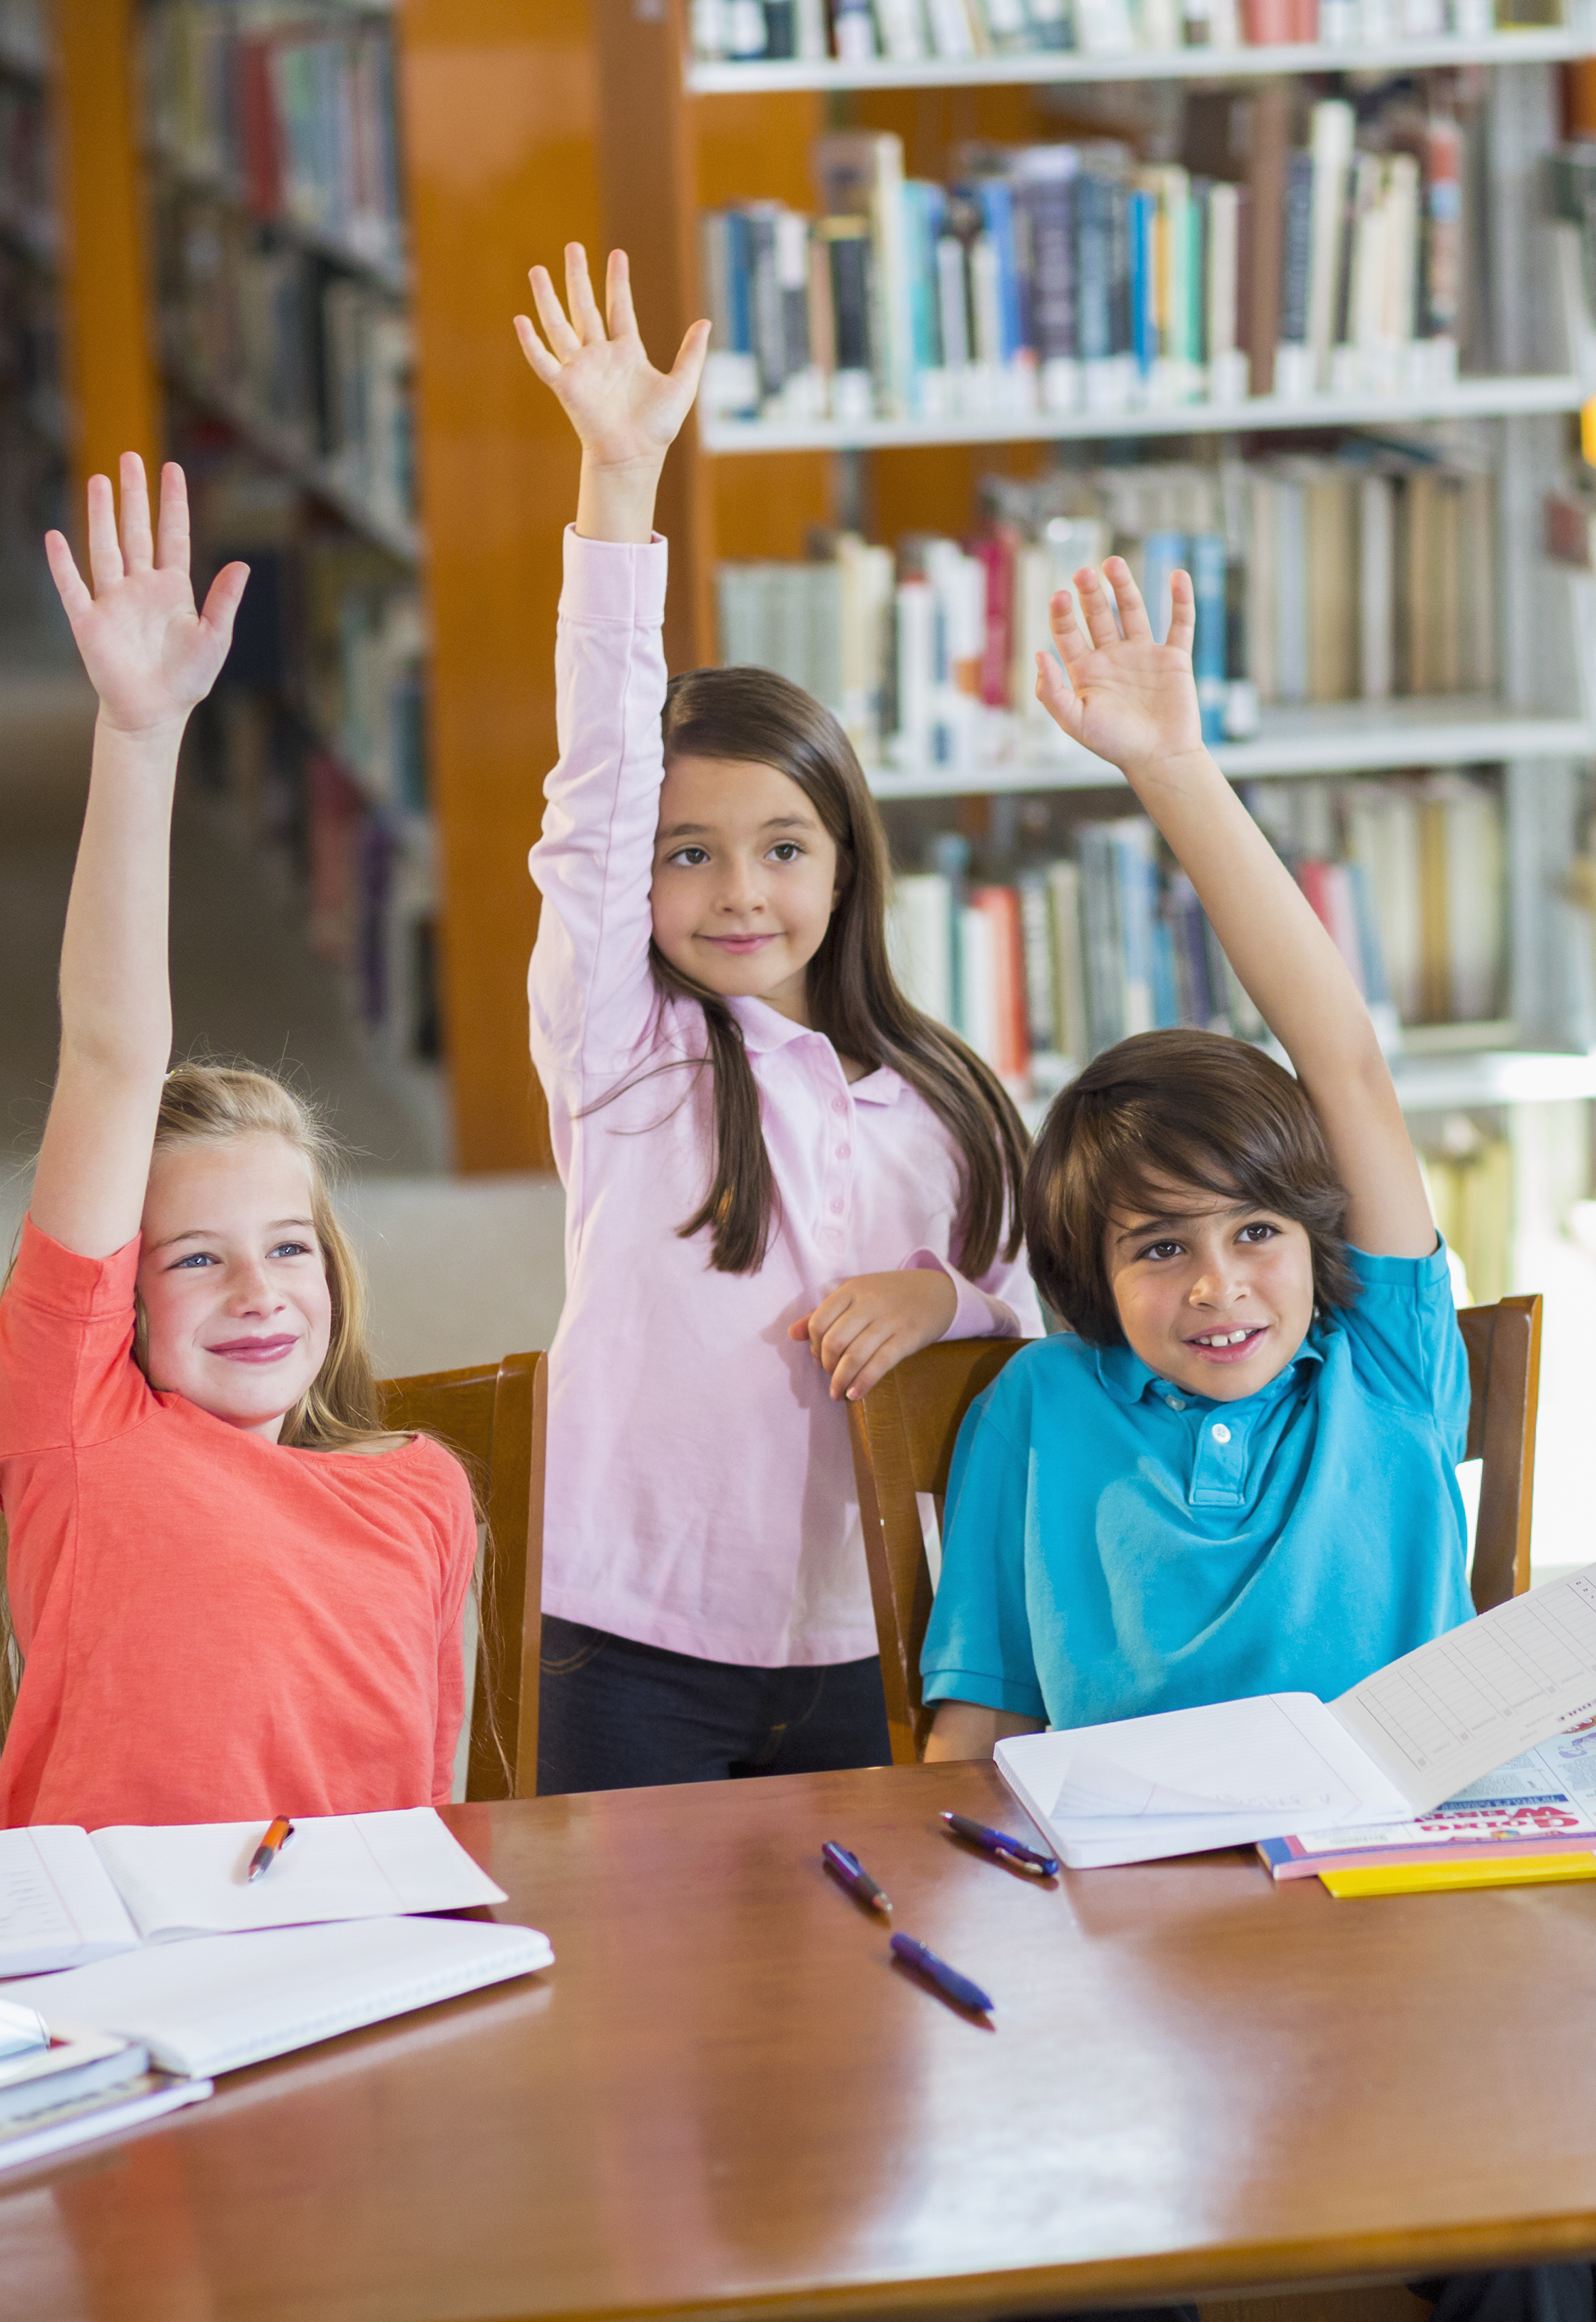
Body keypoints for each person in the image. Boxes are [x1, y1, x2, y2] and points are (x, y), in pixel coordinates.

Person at [515, 246, 1035, 1792]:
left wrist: (941, 1301)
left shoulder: (940, 1093)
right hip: (624, 1636)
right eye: (691, 854)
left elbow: (1028, 1305)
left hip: (874, 1622)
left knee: (849, 2000)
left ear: (848, 862)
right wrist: (621, 484)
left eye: (784, 849)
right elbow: (599, 783)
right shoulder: (624, 1051)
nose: (739, 892)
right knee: (632, 1999)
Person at [0, 454, 479, 1832]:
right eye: (195, 1258)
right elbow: (111, 1055)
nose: (261, 1295)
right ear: (117, 1298)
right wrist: (138, 741)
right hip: (110, 1967)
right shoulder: (78, 1426)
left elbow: (425, 1812)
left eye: (288, 1248)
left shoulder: (424, 1493)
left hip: (344, 1973)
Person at [912, 555, 1469, 1753]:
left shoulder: (1384, 1359)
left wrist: (1173, 768)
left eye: (1256, 1232)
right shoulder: (1038, 1402)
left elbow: (1345, 1065)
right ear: (1087, 1276)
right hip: (1135, 1889)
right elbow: (982, 1709)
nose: (1219, 1284)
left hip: (1394, 1871)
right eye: (1161, 1247)